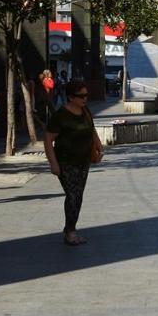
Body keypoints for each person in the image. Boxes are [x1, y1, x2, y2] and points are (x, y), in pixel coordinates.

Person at [43, 80, 102, 246]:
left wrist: (99, 148)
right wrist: (53, 164)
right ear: (70, 97)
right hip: (65, 162)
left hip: (83, 161)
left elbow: (91, 129)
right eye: (81, 96)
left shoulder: (85, 111)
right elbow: (48, 139)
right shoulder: (60, 115)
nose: (85, 99)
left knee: (78, 196)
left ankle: (70, 227)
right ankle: (70, 231)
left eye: (86, 95)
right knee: (73, 195)